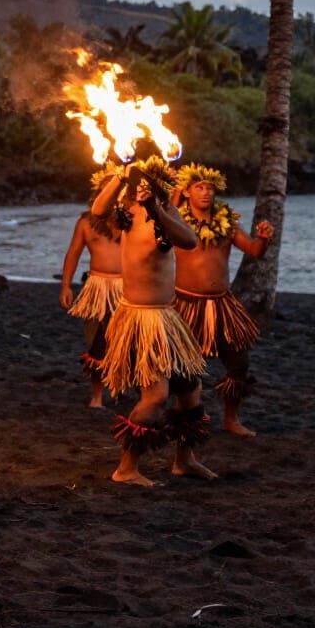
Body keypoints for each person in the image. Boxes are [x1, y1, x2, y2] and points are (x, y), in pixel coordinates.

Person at [91, 155, 212, 487]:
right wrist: (118, 174)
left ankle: (184, 460)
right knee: (155, 397)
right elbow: (97, 212)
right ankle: (126, 468)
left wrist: (157, 208)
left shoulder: (164, 215)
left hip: (167, 320)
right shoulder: (126, 216)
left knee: (190, 390)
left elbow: (189, 240)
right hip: (142, 321)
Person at [172, 163, 273, 437]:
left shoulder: (227, 222)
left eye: (210, 188)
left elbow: (253, 250)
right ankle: (184, 418)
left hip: (222, 305)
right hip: (185, 304)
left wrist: (263, 239)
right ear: (187, 191)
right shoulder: (176, 221)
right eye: (199, 187)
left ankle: (231, 419)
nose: (205, 193)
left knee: (239, 363)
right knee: (182, 367)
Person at [59, 166, 123, 407]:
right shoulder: (86, 222)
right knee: (96, 341)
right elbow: (73, 253)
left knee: (127, 341)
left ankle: (119, 387)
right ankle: (97, 395)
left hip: (128, 288)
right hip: (97, 286)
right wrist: (66, 285)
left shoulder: (134, 223)